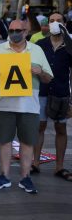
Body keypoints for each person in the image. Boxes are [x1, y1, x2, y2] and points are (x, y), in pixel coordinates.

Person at [0, 19, 53, 194]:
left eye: (18, 30)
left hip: (29, 106)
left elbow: (48, 77)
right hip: (4, 105)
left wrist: (40, 72)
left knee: (27, 142)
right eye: (11, 30)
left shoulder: (37, 50)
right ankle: (4, 176)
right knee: (4, 141)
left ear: (26, 32)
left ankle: (25, 177)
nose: (14, 33)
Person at [33, 13, 72, 181]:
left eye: (59, 20)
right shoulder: (40, 45)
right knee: (39, 127)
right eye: (52, 21)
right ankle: (35, 163)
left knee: (61, 129)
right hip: (41, 92)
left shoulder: (70, 46)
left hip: (61, 93)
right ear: (48, 24)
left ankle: (59, 167)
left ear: (65, 24)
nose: (55, 23)